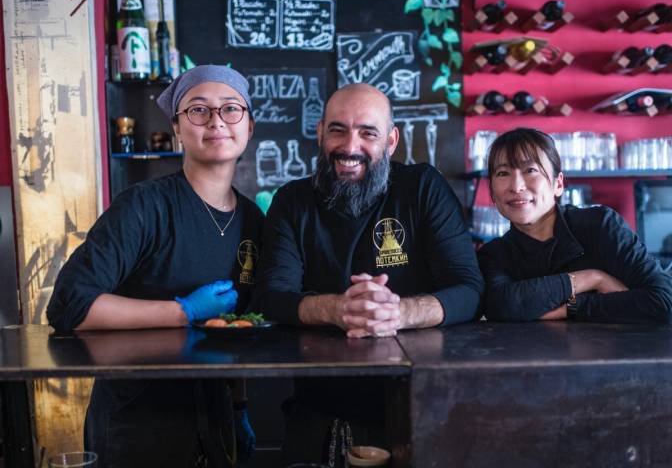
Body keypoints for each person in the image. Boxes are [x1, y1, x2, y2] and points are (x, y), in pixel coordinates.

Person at [250, 83, 484, 463]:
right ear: (320, 132)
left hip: (423, 403)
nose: (350, 146)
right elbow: (269, 297)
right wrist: (337, 309)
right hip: (318, 406)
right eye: (338, 129)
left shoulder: (423, 187)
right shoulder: (292, 201)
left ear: (391, 141)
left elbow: (470, 289)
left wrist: (399, 312)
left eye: (368, 132)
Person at [47, 65, 263, 468]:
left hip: (215, 422)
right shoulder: (142, 207)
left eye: (231, 109)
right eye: (198, 110)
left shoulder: (253, 222)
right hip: (137, 419)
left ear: (249, 126)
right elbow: (69, 305)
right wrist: (183, 312)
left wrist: (239, 405)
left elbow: (240, 331)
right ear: (178, 128)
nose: (216, 121)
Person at [477, 127, 672, 324]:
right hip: (535, 357)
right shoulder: (494, 254)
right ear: (493, 193)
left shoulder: (600, 226)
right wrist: (593, 278)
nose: (516, 186)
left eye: (531, 170)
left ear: (558, 184)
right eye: (503, 173)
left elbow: (662, 302)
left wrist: (572, 307)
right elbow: (502, 306)